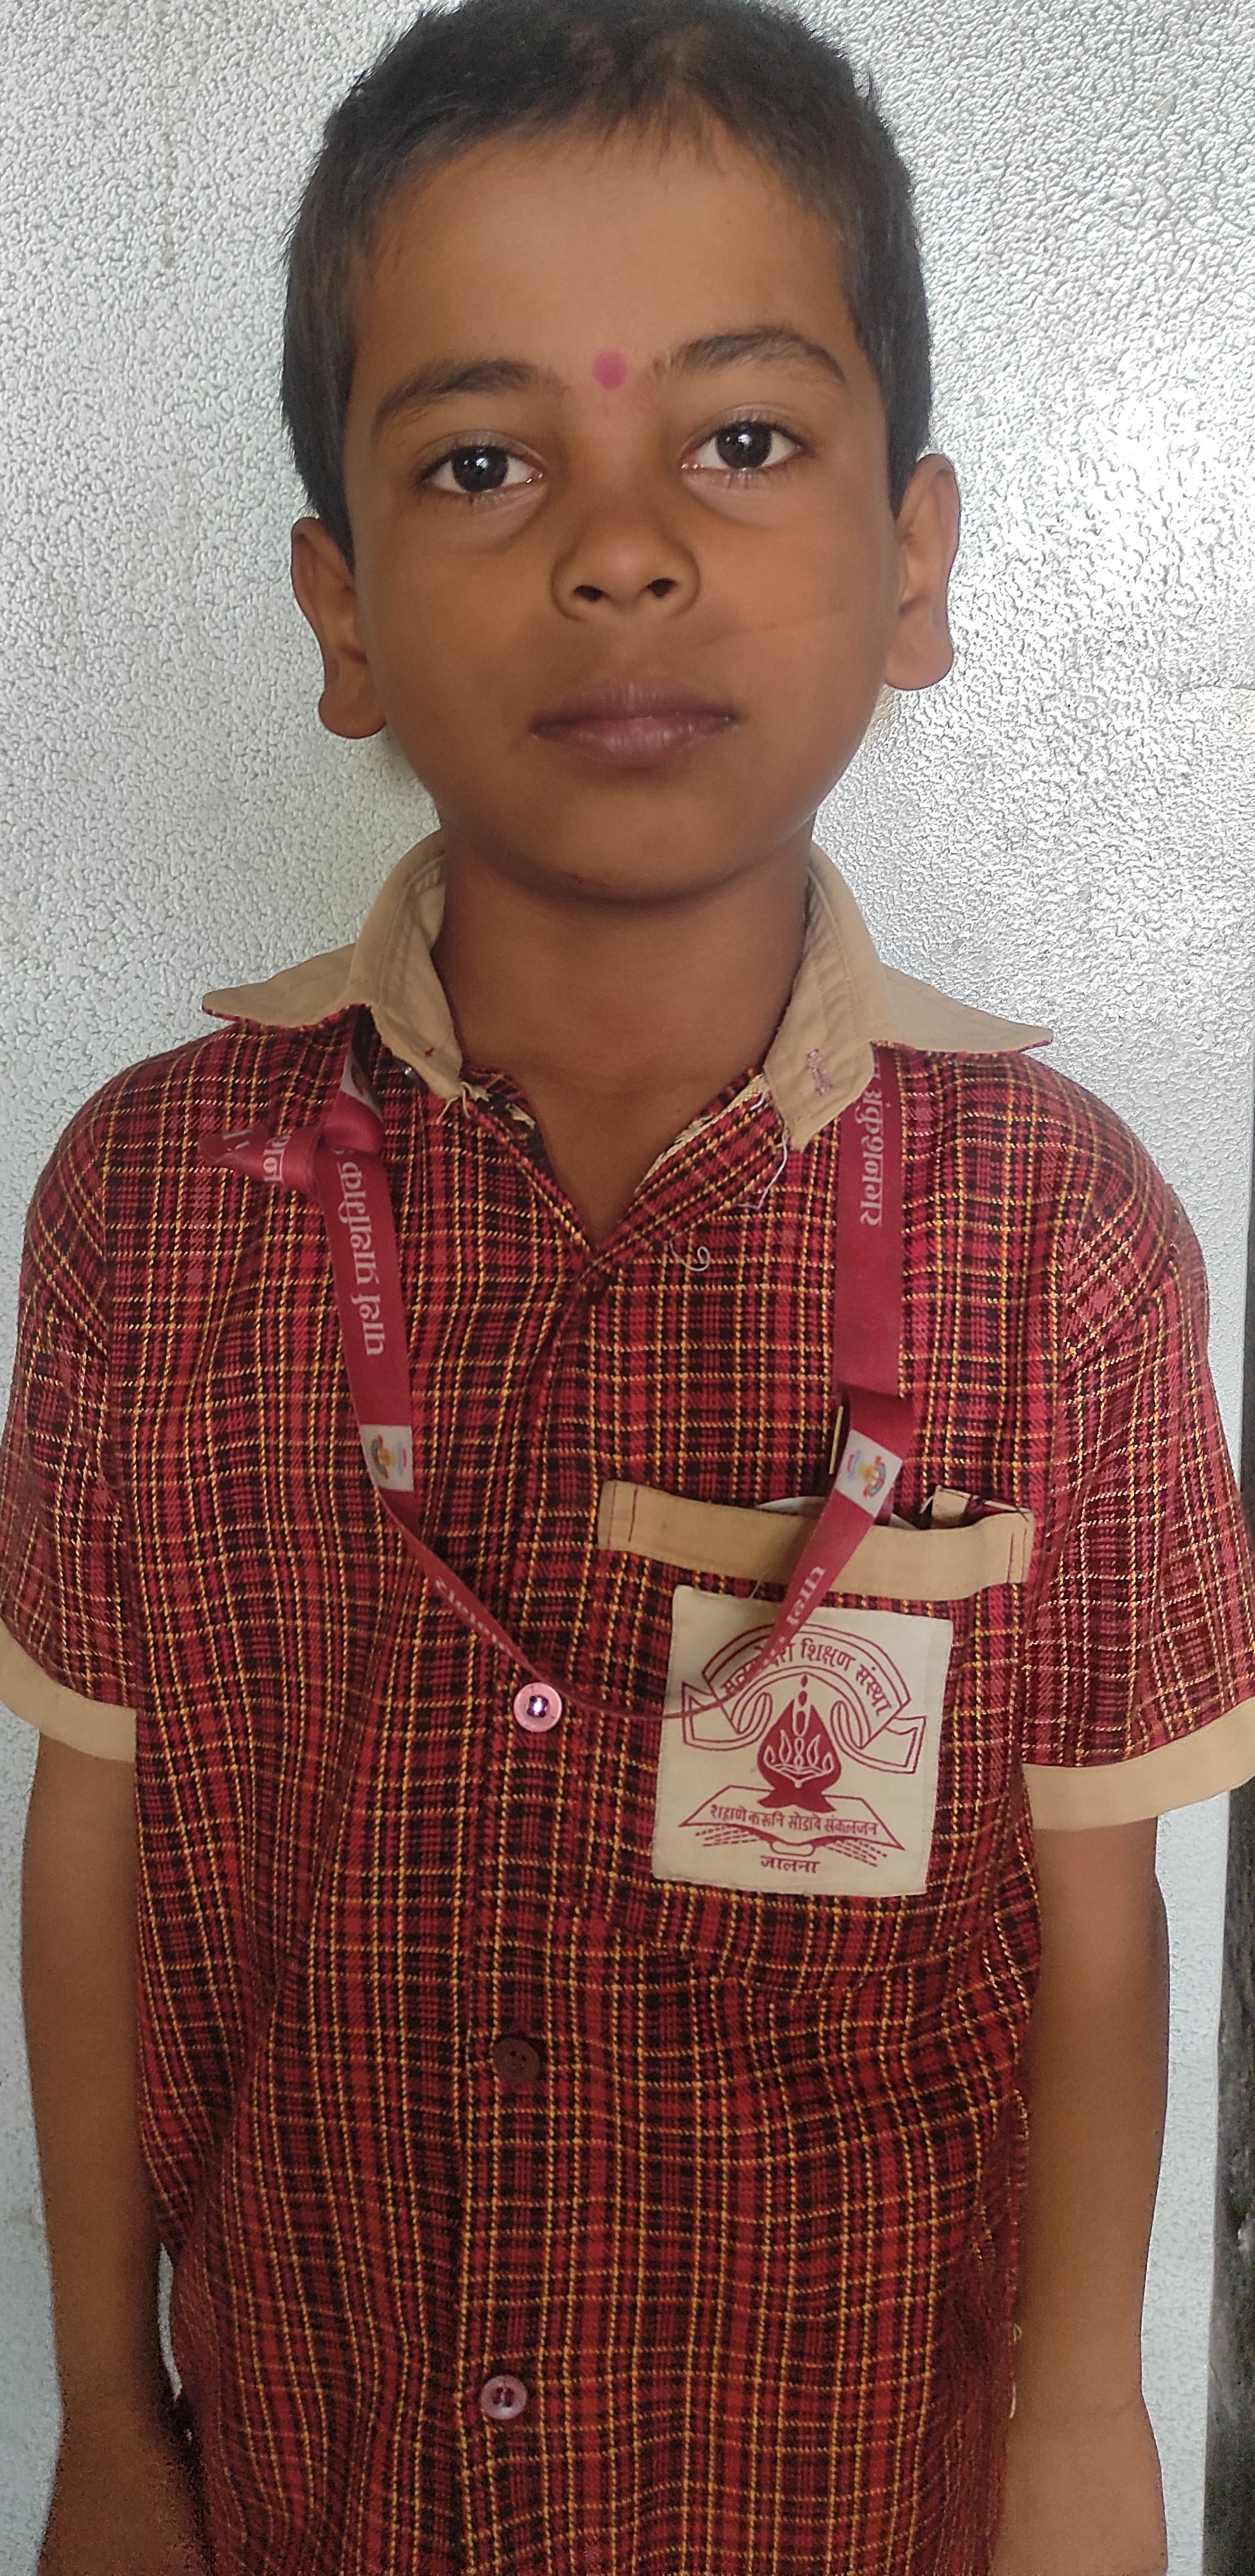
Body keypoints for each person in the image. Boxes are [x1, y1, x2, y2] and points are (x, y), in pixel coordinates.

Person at [5, 1, 1254, 2569]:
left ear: (916, 564)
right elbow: (93, 1845)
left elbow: (1097, 1913)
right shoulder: (150, 1206)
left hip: (837, 2492)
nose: (622, 546)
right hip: (314, 2485)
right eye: (485, 462)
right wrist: (110, 2422)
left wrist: (1083, 2446)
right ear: (342, 614)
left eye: (743, 440)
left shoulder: (1063, 1243)